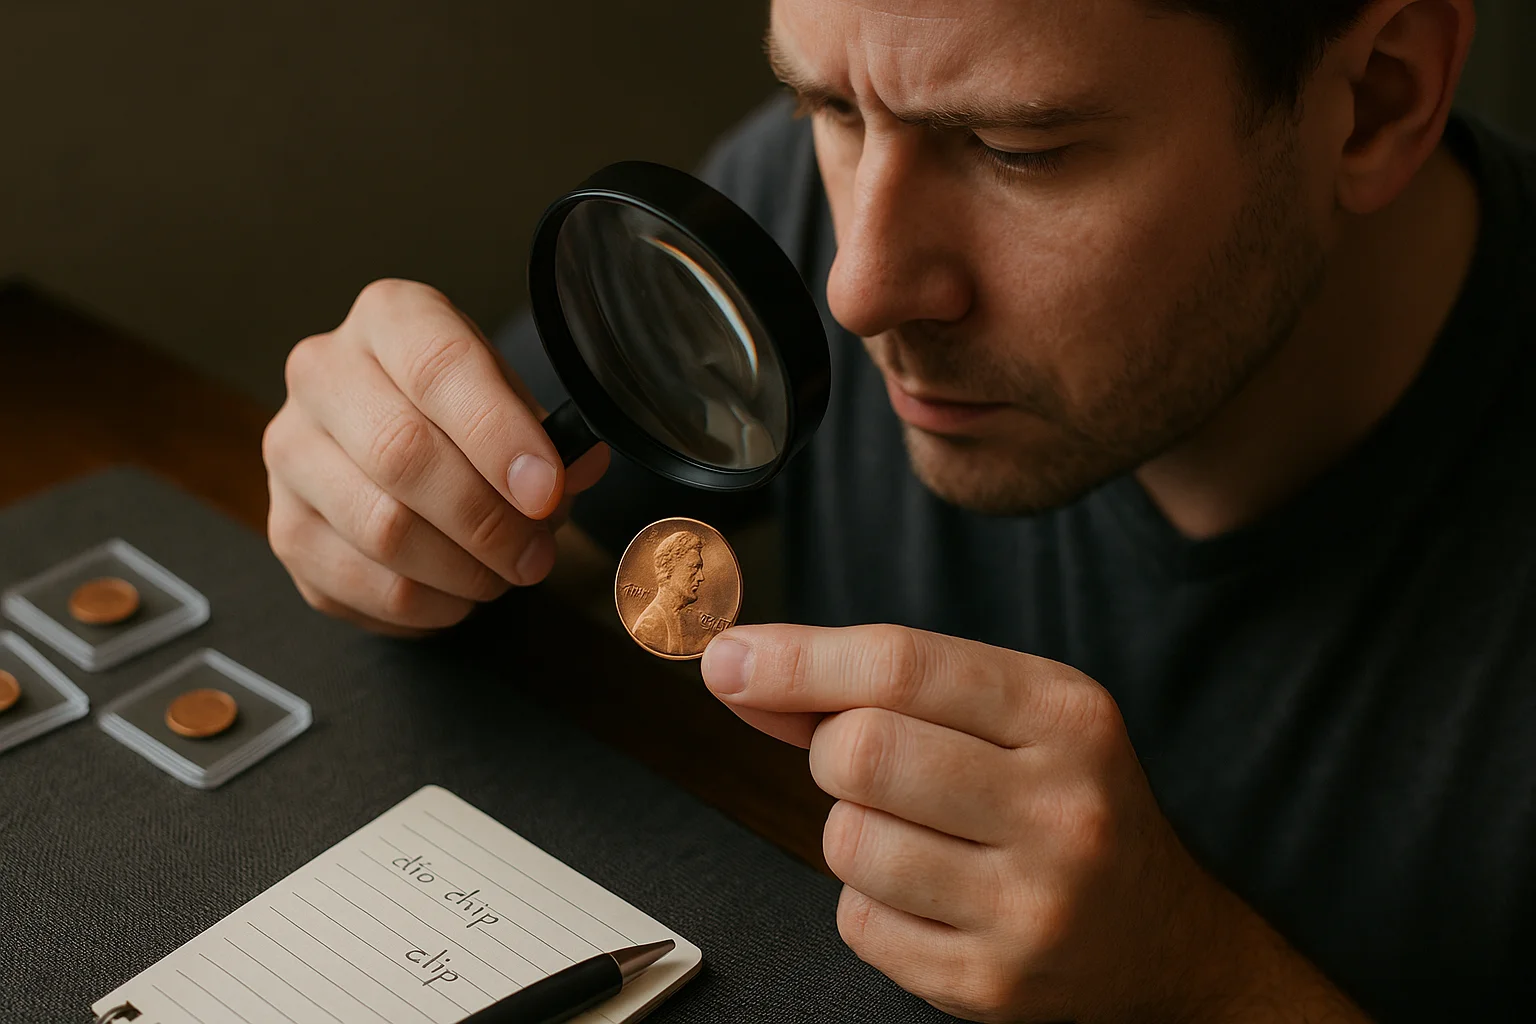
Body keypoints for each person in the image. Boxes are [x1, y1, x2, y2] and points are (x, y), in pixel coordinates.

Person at [261, 0, 1536, 1019]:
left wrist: (1205, 987)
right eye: (824, 100)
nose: (858, 284)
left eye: (1017, 151)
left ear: (1376, 101)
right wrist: (388, 502)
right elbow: (486, 504)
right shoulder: (823, 181)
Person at [630, 530, 706, 653]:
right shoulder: (650, 625)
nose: (701, 577)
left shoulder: (680, 617)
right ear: (669, 569)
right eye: (694, 567)